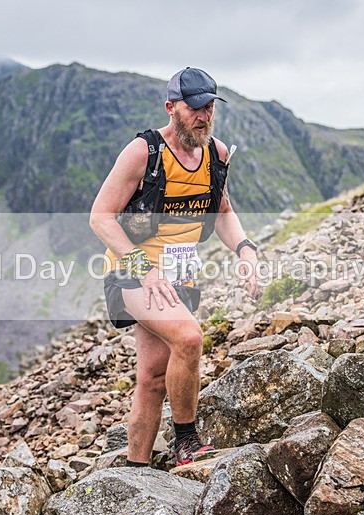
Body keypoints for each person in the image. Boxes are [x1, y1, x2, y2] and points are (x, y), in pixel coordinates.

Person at [89, 67, 259, 467]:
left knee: (152, 380)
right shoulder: (143, 153)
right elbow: (100, 217)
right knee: (188, 338)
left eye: (210, 107)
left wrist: (246, 251)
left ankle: (136, 470)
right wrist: (143, 267)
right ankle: (187, 440)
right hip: (132, 273)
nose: (204, 115)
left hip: (180, 276)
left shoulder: (215, 154)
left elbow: (223, 212)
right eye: (195, 107)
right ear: (171, 108)